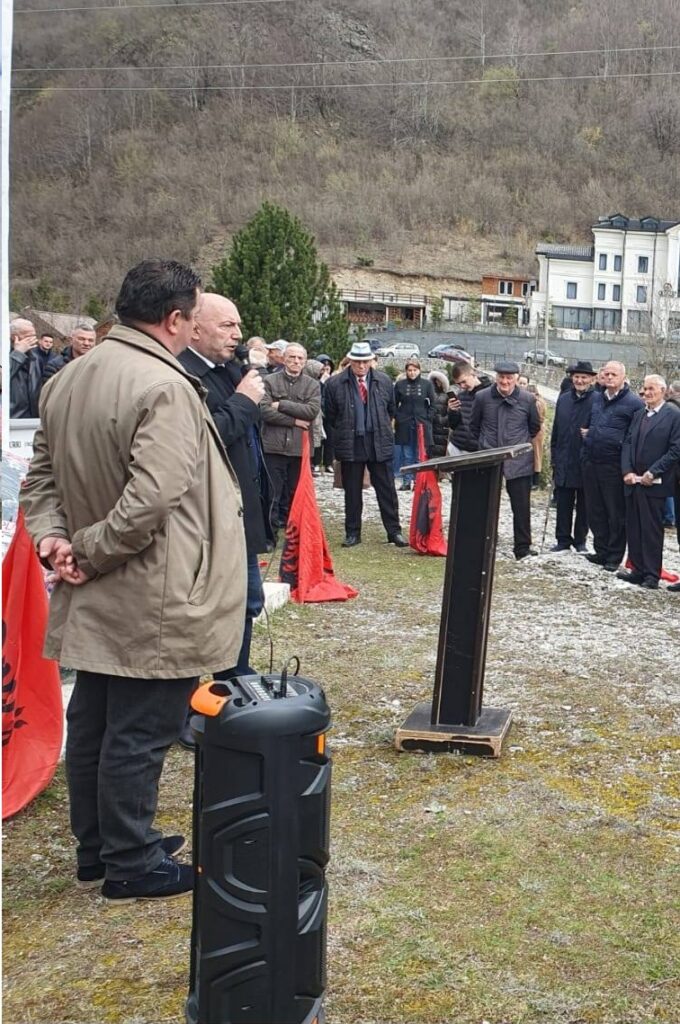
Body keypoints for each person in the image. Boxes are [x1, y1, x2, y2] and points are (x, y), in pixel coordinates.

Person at [19, 260, 247, 902]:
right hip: (154, 587)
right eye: (194, 315)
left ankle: (100, 848)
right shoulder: (163, 385)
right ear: (174, 319)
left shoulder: (69, 377)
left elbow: (40, 481)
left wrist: (54, 540)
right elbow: (152, 499)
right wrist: (83, 550)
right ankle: (130, 862)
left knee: (97, 722)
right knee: (140, 730)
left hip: (103, 581)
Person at [178, 293, 267, 685]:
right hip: (207, 518)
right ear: (195, 328)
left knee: (246, 601)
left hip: (240, 513)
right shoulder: (183, 374)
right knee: (212, 608)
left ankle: (235, 680)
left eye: (238, 325)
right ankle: (194, 694)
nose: (238, 335)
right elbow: (204, 439)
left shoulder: (229, 369)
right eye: (227, 325)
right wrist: (244, 401)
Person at [325, 340, 407, 547]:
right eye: (357, 362)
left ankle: (394, 531)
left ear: (372, 361)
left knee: (387, 489)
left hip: (378, 440)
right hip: (351, 442)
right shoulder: (335, 383)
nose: (361, 366)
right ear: (350, 361)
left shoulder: (384, 381)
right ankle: (353, 533)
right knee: (352, 491)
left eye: (365, 361)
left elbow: (390, 410)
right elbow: (331, 415)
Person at [470, 360, 541, 560]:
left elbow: (534, 427)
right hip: (489, 457)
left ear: (516, 379)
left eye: (509, 378)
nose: (505, 381)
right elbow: (474, 425)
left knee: (521, 506)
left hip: (518, 460)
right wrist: (486, 444)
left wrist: (518, 445)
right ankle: (485, 542)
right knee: (486, 504)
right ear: (496, 377)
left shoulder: (527, 399)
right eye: (501, 377)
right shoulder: (482, 397)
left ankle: (522, 547)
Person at [618, 375, 680, 589]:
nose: (647, 392)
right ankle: (637, 569)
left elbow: (675, 449)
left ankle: (652, 574)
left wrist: (653, 472)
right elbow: (627, 443)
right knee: (634, 526)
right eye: (645, 388)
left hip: (655, 483)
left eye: (652, 388)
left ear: (663, 391)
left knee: (651, 529)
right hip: (633, 481)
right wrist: (627, 470)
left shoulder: (673, 416)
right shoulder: (639, 415)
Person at [581, 361, 644, 572]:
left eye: (613, 374)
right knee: (595, 510)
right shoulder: (597, 398)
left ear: (623, 377)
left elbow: (634, 437)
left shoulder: (634, 403)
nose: (609, 377)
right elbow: (589, 425)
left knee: (615, 512)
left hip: (614, 465)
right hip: (592, 462)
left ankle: (614, 555)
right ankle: (601, 550)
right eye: (606, 374)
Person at [260, 343, 321, 533]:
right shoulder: (269, 381)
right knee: (272, 493)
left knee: (296, 494)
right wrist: (294, 421)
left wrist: (281, 404)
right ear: (284, 359)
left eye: (300, 358)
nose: (296, 361)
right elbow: (264, 411)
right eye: (292, 357)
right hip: (273, 446)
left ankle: (293, 534)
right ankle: (270, 535)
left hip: (299, 448)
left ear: (305, 361)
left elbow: (311, 411)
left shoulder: (312, 385)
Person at [549, 360, 597, 552]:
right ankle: (562, 540)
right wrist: (554, 456)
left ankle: (580, 541)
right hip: (564, 458)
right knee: (563, 502)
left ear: (591, 379)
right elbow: (556, 430)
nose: (580, 380)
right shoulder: (564, 399)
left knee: (584, 504)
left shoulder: (598, 400)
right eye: (577, 377)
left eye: (584, 377)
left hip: (586, 460)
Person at [393, 357, 435, 490]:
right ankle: (406, 481)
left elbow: (433, 404)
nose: (412, 373)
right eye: (409, 370)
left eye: (414, 370)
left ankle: (418, 482)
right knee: (407, 454)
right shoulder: (400, 385)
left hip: (421, 423)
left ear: (419, 370)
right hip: (405, 424)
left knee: (419, 454)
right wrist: (398, 417)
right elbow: (393, 404)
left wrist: (428, 417)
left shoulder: (427, 385)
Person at [447, 362, 493, 453]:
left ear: (473, 374)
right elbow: (453, 425)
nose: (462, 386)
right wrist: (452, 411)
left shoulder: (491, 394)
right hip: (456, 446)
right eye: (459, 384)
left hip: (478, 450)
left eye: (464, 381)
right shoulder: (461, 395)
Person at [9, 318, 42, 417]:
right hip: (12, 417)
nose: (33, 340)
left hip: (32, 416)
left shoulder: (35, 358)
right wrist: (18, 354)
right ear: (14, 337)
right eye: (28, 336)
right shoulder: (5, 355)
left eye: (34, 336)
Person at [525, 381, 547, 488]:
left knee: (535, 455)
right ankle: (535, 480)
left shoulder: (536, 403)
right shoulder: (541, 401)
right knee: (538, 454)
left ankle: (534, 481)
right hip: (540, 429)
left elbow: (536, 418)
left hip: (536, 430)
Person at [427, 370, 451, 459]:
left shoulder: (446, 396)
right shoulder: (430, 395)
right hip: (436, 430)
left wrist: (442, 420)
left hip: (439, 431)